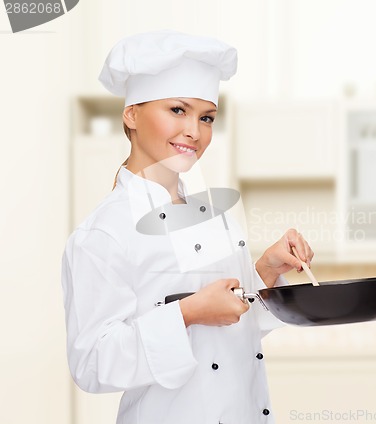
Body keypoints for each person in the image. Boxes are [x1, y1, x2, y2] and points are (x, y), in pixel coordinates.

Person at [61, 29, 314, 424]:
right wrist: (187, 313)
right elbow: (93, 363)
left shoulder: (215, 218)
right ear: (131, 114)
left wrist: (267, 269)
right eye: (178, 110)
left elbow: (234, 322)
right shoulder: (104, 233)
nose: (195, 131)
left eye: (206, 117)